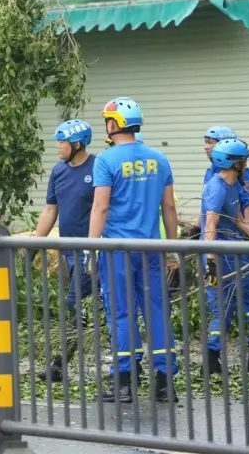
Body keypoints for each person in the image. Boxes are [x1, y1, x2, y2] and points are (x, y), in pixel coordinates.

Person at [89, 97, 179, 404]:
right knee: (156, 312)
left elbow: (100, 209)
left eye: (107, 120)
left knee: (122, 314)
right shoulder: (159, 159)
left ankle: (125, 383)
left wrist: (90, 247)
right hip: (152, 250)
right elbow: (169, 207)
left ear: (114, 124)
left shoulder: (106, 160)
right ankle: (166, 384)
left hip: (117, 251)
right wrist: (171, 247)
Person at [201, 139, 249, 376]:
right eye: (244, 159)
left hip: (234, 250)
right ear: (236, 163)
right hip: (225, 255)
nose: (246, 163)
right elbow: (210, 227)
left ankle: (217, 359)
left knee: (230, 305)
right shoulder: (216, 188)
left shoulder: (232, 184)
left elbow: (235, 217)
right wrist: (212, 263)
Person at [34, 119, 96, 382]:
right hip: (68, 252)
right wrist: (35, 242)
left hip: (91, 250)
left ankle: (59, 364)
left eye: (62, 142)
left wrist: (96, 248)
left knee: (78, 306)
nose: (58, 147)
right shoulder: (59, 171)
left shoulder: (99, 168)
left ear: (77, 144)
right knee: (83, 307)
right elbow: (51, 209)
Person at [203, 126, 249, 231]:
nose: (205, 147)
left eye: (210, 143)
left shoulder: (242, 174)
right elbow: (209, 206)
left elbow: (248, 206)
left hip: (234, 236)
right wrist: (196, 228)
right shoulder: (212, 172)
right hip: (214, 235)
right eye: (205, 142)